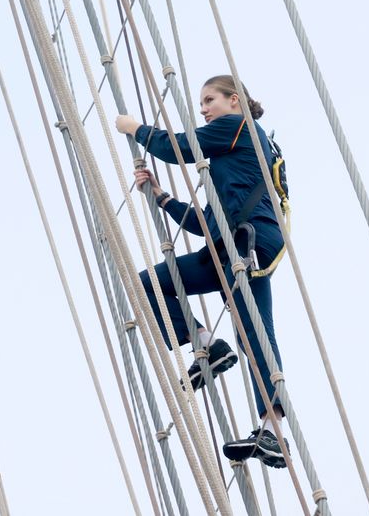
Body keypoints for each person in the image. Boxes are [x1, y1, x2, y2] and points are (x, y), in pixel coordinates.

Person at [114, 74, 288, 469]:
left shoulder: (240, 127)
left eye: (210, 100)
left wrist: (134, 128)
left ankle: (274, 430)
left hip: (251, 244)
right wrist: (161, 197)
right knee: (150, 285)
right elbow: (206, 226)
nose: (204, 109)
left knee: (255, 330)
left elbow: (177, 147)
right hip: (228, 243)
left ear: (235, 101)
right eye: (202, 103)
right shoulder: (229, 164)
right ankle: (207, 346)